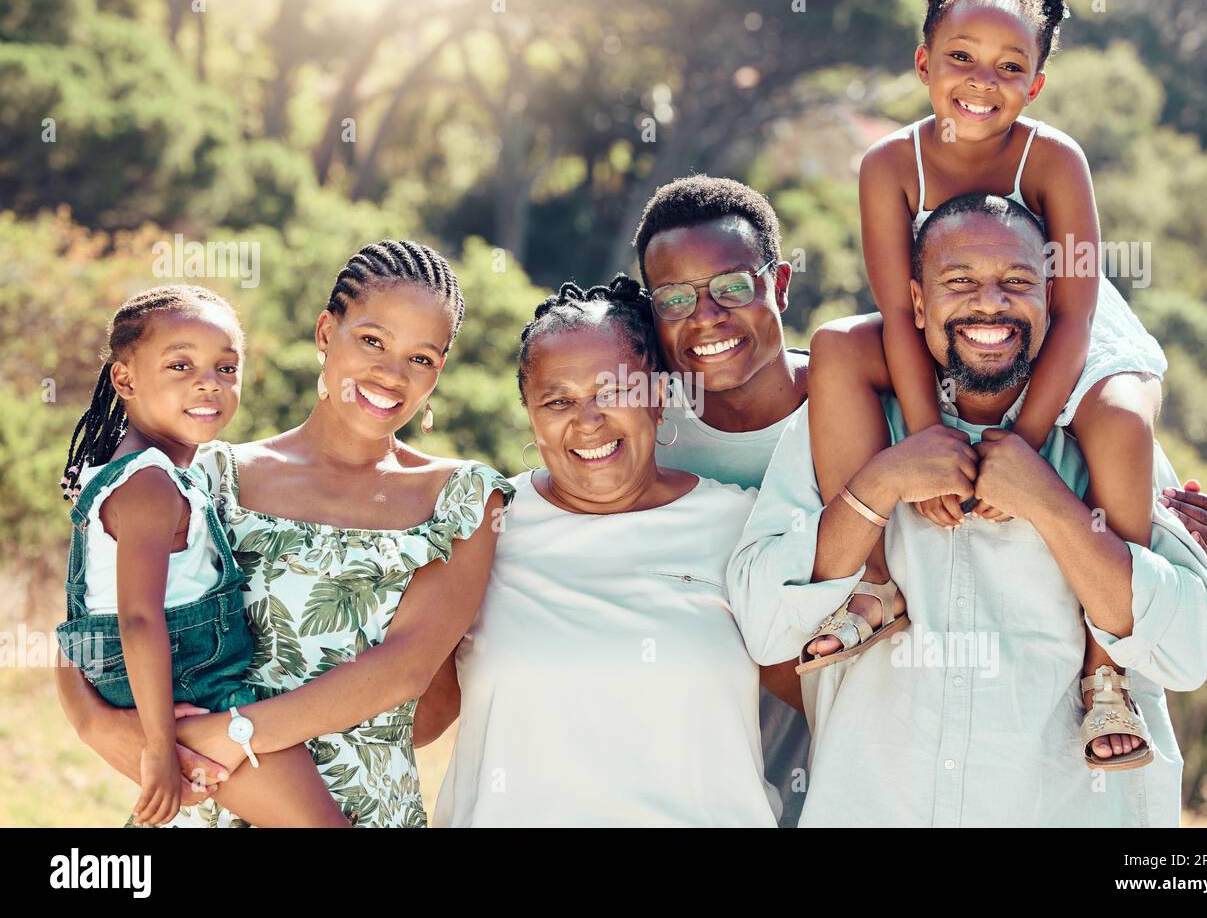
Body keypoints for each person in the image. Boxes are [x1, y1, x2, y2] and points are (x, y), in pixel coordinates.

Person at [727, 194, 1207, 826]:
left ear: (1052, 298)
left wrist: (1047, 501)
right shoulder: (844, 427)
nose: (989, 303)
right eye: (958, 281)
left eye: (1016, 283)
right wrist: (878, 486)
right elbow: (767, 625)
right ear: (916, 302)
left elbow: (1184, 652)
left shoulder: (1107, 434)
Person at [806, 0, 1168, 770]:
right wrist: (929, 443)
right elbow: (900, 311)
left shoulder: (1054, 159)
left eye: (1009, 68)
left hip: (1059, 321)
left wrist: (1026, 441)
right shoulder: (889, 165)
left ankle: (1108, 667)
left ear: (1035, 84)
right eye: (962, 59)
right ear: (923, 64)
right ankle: (873, 584)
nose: (982, 83)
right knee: (834, 346)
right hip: (948, 318)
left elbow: (1074, 311)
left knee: (1118, 412)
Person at [56, 241, 511, 827]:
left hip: (356, 809)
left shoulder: (464, 500)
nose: (391, 374)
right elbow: (95, 615)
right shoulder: (210, 475)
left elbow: (405, 670)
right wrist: (96, 725)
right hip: (210, 800)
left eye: (421, 358)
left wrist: (231, 734)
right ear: (326, 333)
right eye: (372, 341)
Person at [427, 278, 778, 826]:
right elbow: (419, 718)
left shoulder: (741, 524)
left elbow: (823, 690)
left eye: (613, 393)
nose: (587, 422)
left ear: (659, 396)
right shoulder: (481, 525)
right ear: (530, 413)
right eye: (558, 400)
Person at [55, 285, 346, 827]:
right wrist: (160, 750)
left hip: (173, 676)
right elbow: (137, 618)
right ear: (125, 379)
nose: (208, 383)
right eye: (180, 365)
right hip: (193, 680)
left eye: (226, 368)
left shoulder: (141, 472)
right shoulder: (150, 486)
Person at [631, 174, 814, 826]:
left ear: (781, 284)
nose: (706, 317)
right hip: (684, 787)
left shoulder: (854, 407)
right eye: (675, 298)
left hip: (845, 769)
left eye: (733, 287)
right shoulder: (642, 432)